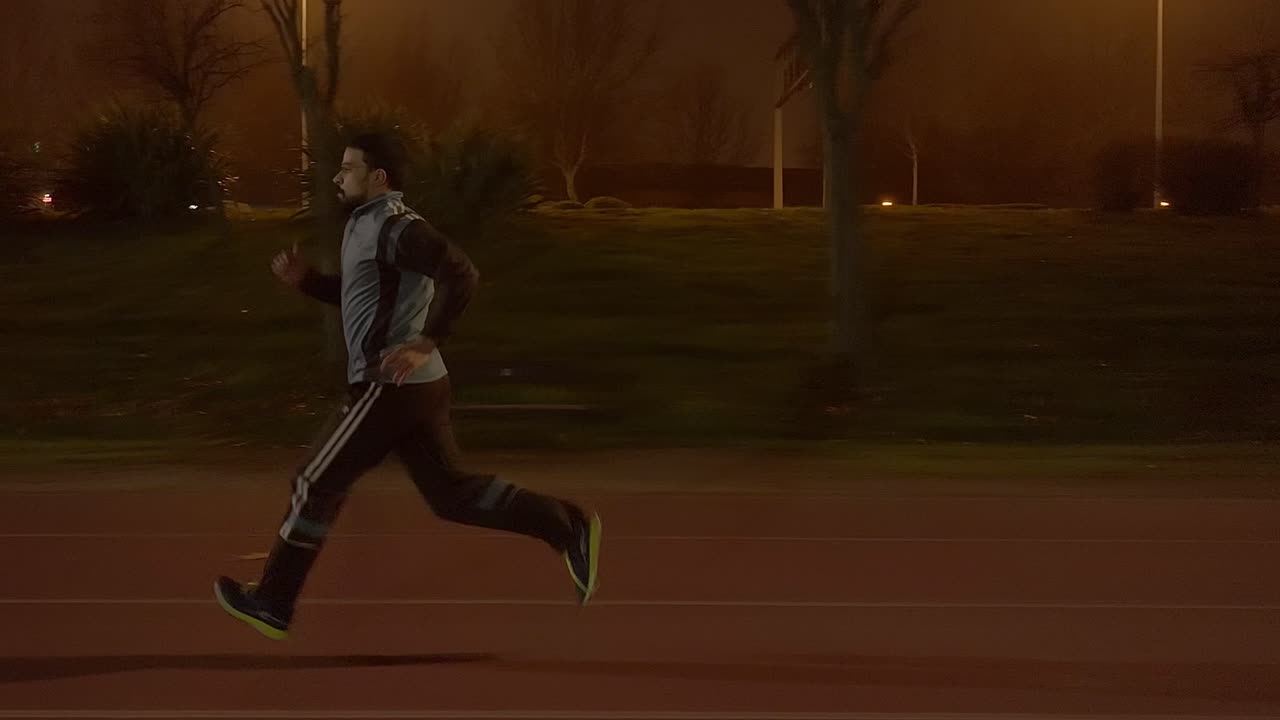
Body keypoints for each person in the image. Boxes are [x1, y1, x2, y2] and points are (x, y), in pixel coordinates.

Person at [213, 132, 602, 640]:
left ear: (378, 177)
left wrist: (426, 340)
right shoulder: (365, 224)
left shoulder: (396, 227)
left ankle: (272, 602)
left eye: (349, 168)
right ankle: (564, 524)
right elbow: (363, 294)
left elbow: (462, 273)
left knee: (315, 481)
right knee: (452, 496)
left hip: (388, 386)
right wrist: (308, 282)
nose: (338, 176)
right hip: (417, 388)